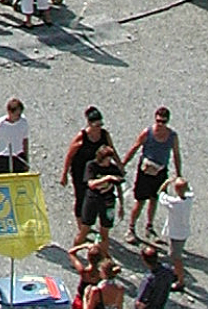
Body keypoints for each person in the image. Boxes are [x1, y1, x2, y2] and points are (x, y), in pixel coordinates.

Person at [120, 106, 182, 245]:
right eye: (158, 121)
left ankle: (149, 226)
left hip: (160, 172)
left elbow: (176, 155)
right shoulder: (147, 133)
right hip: (145, 172)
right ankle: (131, 228)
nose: (160, 124)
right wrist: (122, 165)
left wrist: (179, 174)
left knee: (154, 199)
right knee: (140, 201)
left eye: (163, 122)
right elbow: (135, 148)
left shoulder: (172, 136)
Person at [63, 106, 114, 248]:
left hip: (96, 171)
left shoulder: (104, 135)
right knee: (81, 198)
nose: (99, 128)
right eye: (96, 125)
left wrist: (120, 166)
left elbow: (111, 150)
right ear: (89, 124)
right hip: (80, 172)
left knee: (94, 196)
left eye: (100, 125)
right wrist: (64, 174)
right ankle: (82, 227)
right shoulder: (82, 137)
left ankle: (87, 224)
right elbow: (70, 155)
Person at [83, 145, 126, 258]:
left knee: (105, 232)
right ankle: (75, 253)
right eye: (107, 159)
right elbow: (91, 184)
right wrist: (107, 178)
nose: (109, 162)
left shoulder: (113, 168)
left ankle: (104, 256)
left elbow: (119, 187)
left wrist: (121, 205)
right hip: (93, 200)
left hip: (108, 201)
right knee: (85, 228)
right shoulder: (91, 166)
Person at [159, 177, 194, 292]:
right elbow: (189, 190)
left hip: (176, 233)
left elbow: (161, 194)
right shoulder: (189, 199)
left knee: (176, 257)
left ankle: (180, 281)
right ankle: (176, 273)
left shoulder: (174, 203)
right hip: (183, 232)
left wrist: (166, 182)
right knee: (174, 253)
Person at [0, 97, 29, 174]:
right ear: (9, 112)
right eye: (17, 114)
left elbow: (25, 141)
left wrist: (26, 160)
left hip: (18, 157)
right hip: (2, 159)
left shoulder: (23, 122)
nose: (19, 117)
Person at [68, 243, 106, 309]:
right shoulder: (102, 274)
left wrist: (84, 245)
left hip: (80, 301)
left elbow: (71, 252)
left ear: (88, 257)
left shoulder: (84, 272)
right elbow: (111, 263)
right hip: (94, 304)